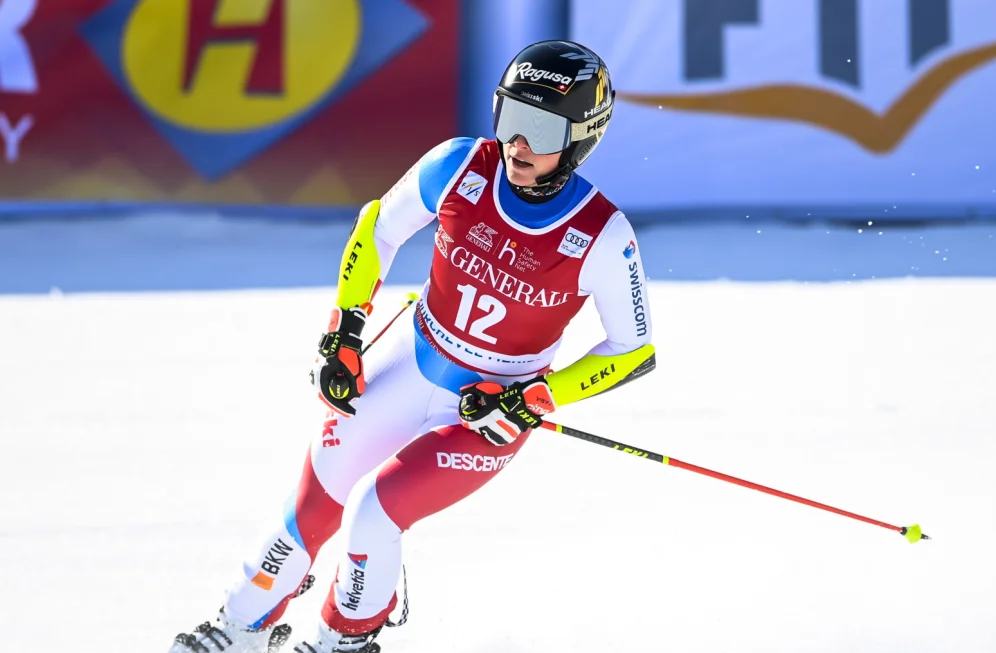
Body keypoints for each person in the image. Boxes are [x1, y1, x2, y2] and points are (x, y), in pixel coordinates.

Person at [169, 39, 656, 653]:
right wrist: (345, 331)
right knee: (314, 504)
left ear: (583, 136)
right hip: (413, 352)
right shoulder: (458, 165)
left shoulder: (604, 235)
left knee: (374, 512)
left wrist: (535, 397)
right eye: (510, 119)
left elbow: (631, 350)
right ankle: (238, 627)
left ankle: (344, 641)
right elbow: (378, 228)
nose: (518, 145)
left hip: (489, 408)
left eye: (540, 128)